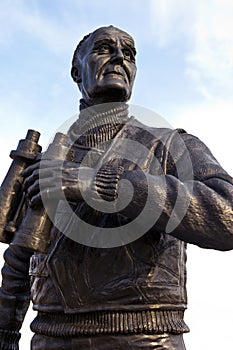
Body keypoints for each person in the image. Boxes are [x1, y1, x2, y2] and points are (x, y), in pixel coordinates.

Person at [0, 25, 233, 350]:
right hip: (50, 340)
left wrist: (100, 183)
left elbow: (228, 217)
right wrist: (6, 335)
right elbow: (19, 263)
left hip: (146, 340)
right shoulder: (51, 159)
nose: (120, 57)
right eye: (104, 48)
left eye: (129, 53)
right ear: (76, 71)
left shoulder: (170, 145)